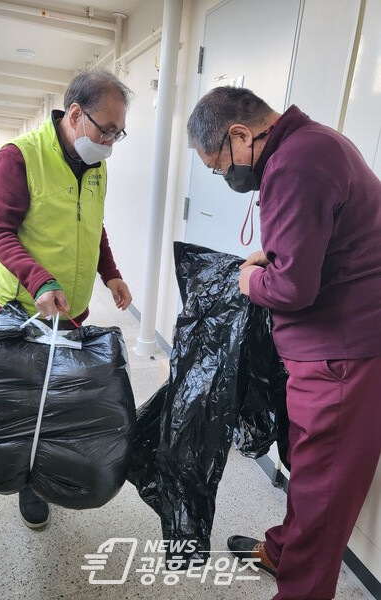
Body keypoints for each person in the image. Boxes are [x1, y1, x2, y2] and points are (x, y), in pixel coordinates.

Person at [187, 87, 381, 599]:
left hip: (342, 354)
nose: (225, 177)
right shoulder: (314, 145)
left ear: (239, 135)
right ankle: (281, 551)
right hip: (332, 345)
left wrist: (247, 280)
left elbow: (293, 288)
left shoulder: (297, 164)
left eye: (218, 166)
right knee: (311, 468)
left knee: (323, 490)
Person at [0, 70, 133, 530]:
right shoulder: (19, 157)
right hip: (24, 311)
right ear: (74, 113)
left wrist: (111, 273)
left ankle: (53, 471)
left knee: (59, 403)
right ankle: (28, 487)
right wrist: (39, 279)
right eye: (105, 128)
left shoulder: (97, 163)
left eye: (118, 132)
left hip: (71, 311)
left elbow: (93, 224)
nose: (110, 141)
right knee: (26, 405)